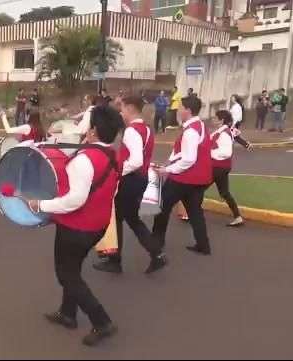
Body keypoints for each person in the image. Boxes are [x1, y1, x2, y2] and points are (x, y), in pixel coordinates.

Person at [25, 105, 123, 347]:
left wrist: (41, 206)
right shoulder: (113, 155)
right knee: (73, 269)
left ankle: (102, 321)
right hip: (98, 225)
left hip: (77, 228)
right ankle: (67, 313)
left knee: (66, 274)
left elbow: (74, 200)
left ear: (94, 131)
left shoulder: (84, 160)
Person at [93, 96, 166, 275]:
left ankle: (115, 260)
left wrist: (116, 172)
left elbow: (135, 160)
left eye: (123, 108)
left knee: (117, 218)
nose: (120, 112)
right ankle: (156, 254)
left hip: (130, 179)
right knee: (132, 219)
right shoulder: (147, 129)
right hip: (139, 180)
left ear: (131, 108)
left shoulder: (132, 131)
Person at [152, 95, 213, 257]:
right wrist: (168, 163)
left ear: (188, 110)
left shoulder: (191, 131)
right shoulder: (200, 125)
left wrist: (168, 170)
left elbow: (188, 159)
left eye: (180, 108)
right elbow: (182, 154)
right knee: (195, 211)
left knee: (162, 207)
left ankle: (156, 242)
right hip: (198, 179)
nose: (178, 110)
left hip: (184, 178)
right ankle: (203, 245)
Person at [209, 110, 252, 228]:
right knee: (224, 193)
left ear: (221, 120)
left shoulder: (224, 133)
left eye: (215, 117)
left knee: (197, 189)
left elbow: (226, 152)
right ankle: (238, 217)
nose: (212, 119)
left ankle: (192, 214)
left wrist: (208, 152)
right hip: (221, 167)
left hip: (217, 167)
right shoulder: (221, 131)